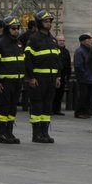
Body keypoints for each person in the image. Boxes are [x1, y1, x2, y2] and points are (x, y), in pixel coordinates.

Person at [23, 11, 62, 144]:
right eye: (46, 21)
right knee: (37, 105)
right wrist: (31, 78)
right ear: (40, 23)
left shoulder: (52, 39)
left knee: (47, 105)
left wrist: (58, 76)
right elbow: (28, 60)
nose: (49, 23)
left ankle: (45, 132)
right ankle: (36, 134)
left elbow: (57, 60)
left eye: (50, 21)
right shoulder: (33, 39)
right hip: (39, 78)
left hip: (51, 78)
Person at [0, 15, 25, 144]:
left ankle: (9, 132)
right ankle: (1, 134)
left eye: (17, 28)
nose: (16, 30)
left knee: (13, 108)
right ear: (7, 29)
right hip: (5, 83)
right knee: (4, 108)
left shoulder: (19, 43)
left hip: (17, 82)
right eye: (13, 28)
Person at [72, 34, 92, 120]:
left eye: (91, 40)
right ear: (83, 41)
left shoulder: (89, 50)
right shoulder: (80, 51)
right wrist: (84, 74)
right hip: (83, 78)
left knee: (88, 96)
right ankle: (79, 112)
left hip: (90, 77)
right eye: (88, 40)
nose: (91, 42)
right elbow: (78, 65)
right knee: (83, 95)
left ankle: (86, 111)